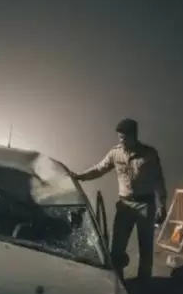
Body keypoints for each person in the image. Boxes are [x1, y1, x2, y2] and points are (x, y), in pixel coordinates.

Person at [72, 118, 168, 280]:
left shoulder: (149, 154)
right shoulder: (115, 153)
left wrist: (162, 205)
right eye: (119, 137)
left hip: (145, 204)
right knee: (117, 248)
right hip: (125, 205)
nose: (121, 141)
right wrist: (80, 176)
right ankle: (118, 283)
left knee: (145, 249)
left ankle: (144, 284)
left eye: (124, 137)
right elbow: (99, 169)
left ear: (133, 136)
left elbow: (158, 179)